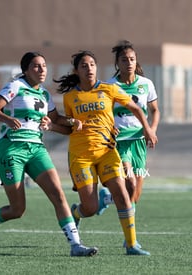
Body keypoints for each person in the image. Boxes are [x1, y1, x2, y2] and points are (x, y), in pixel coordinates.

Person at [0, 51, 98, 257]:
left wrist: (71, 122)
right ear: (26, 70)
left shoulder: (45, 94)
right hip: (11, 148)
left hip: (36, 150)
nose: (42, 70)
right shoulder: (15, 86)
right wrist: (6, 119)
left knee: (58, 195)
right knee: (17, 210)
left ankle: (76, 245)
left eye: (44, 66)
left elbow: (56, 120)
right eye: (36, 66)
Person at [53, 50, 157, 256]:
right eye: (84, 65)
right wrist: (61, 124)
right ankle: (76, 212)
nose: (89, 68)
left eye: (92, 64)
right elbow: (66, 127)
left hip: (108, 152)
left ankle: (131, 244)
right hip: (81, 156)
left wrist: (147, 128)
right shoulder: (71, 96)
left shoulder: (108, 89)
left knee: (123, 193)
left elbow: (135, 108)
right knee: (90, 208)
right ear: (76, 70)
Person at [96, 41, 160, 245]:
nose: (129, 63)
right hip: (119, 143)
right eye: (124, 60)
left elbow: (155, 111)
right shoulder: (110, 86)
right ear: (117, 63)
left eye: (132, 59)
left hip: (139, 142)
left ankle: (106, 199)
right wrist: (108, 129)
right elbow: (103, 112)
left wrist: (151, 130)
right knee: (130, 182)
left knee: (135, 195)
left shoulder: (146, 84)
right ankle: (130, 239)